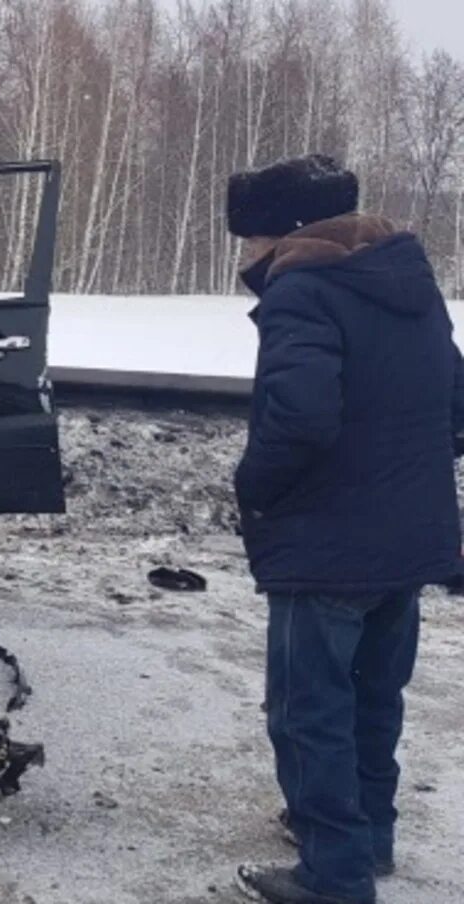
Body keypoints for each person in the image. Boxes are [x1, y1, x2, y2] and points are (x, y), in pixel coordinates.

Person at [226, 154, 464, 904]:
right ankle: (371, 844)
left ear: (284, 234)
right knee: (372, 697)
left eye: (250, 239)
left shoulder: (305, 291)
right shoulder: (406, 281)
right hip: (406, 540)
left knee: (308, 713)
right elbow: (455, 405)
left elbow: (298, 418)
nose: (246, 256)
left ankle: (332, 877)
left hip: (325, 547)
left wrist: (255, 491)